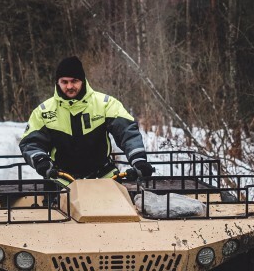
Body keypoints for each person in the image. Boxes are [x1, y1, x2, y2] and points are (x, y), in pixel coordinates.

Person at [19, 56, 154, 182]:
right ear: (57, 82)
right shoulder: (43, 111)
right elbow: (31, 143)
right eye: (64, 82)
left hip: (103, 177)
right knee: (55, 208)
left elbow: (127, 133)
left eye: (74, 81)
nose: (70, 86)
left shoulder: (106, 103)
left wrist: (138, 160)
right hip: (60, 178)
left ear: (83, 81)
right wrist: (41, 161)